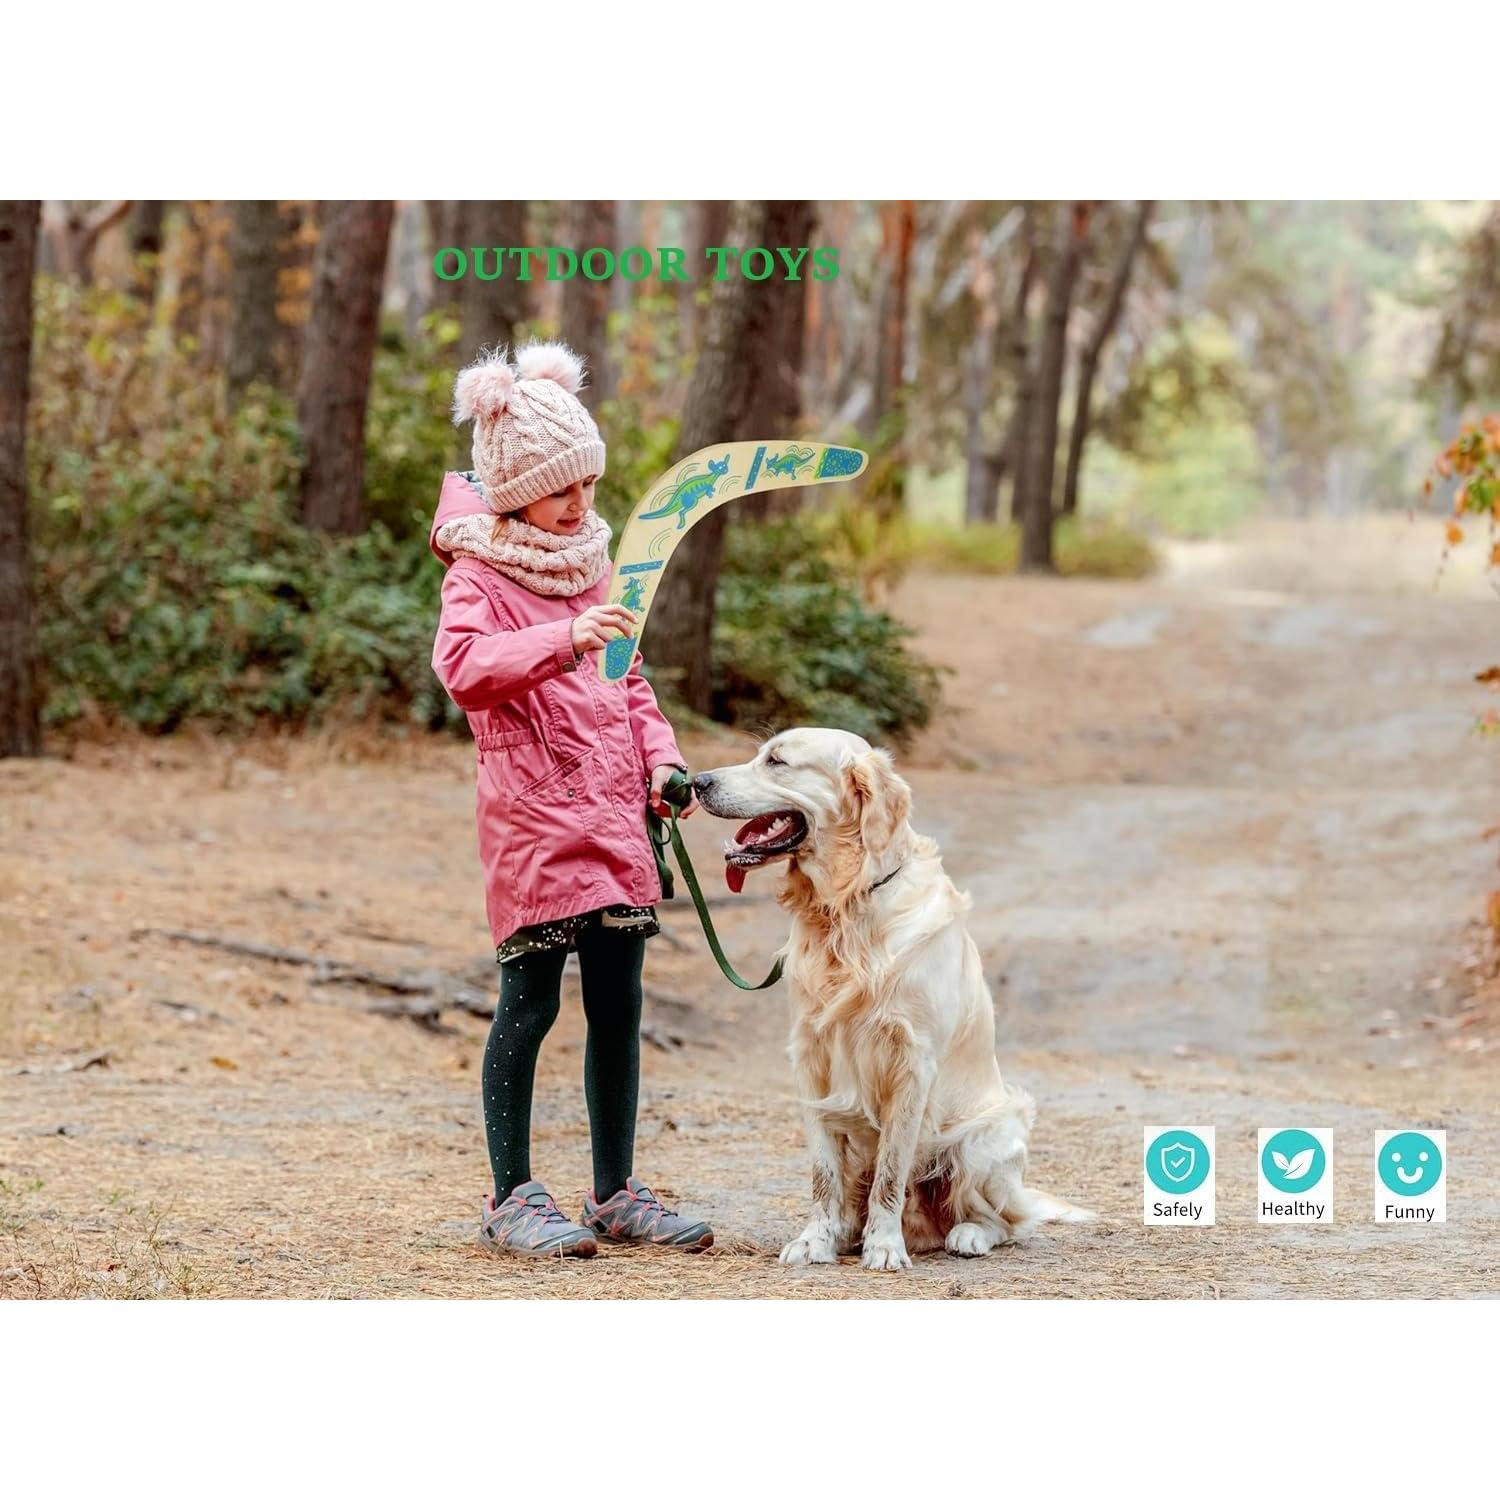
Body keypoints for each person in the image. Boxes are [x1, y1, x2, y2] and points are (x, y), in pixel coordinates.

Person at [430, 340, 711, 1258]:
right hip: (535, 826)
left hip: (613, 820)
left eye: (588, 485)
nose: (581, 505)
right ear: (513, 489)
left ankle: (615, 1189)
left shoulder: (592, 567)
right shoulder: (479, 574)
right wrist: (562, 635)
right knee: (532, 1003)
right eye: (561, 490)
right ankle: (510, 1193)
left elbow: (631, 687)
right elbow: (463, 670)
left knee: (620, 1003)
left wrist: (662, 768)